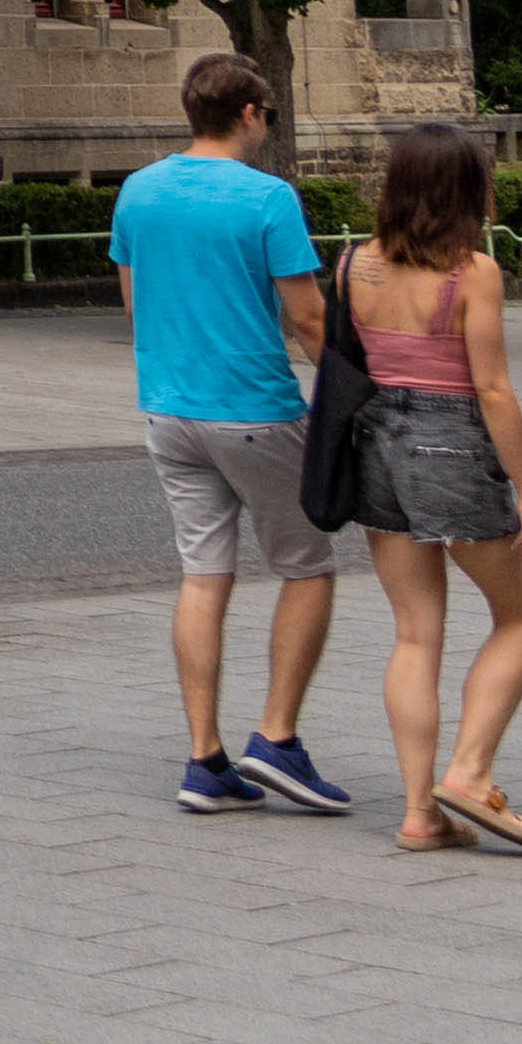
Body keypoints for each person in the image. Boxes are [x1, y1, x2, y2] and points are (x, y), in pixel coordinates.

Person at [109, 52, 352, 815]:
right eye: (268, 115)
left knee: (204, 574)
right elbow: (309, 317)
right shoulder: (267, 197)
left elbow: (133, 303)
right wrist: (350, 400)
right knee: (307, 568)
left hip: (167, 411)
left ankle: (205, 759)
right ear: (249, 114)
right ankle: (276, 738)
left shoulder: (138, 190)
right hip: (253, 410)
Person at [349, 122, 522, 854]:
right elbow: (492, 389)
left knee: (415, 632)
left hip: (376, 446)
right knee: (519, 616)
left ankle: (420, 813)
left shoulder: (354, 264)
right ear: (466, 192)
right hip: (451, 443)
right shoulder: (473, 273)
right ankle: (469, 774)